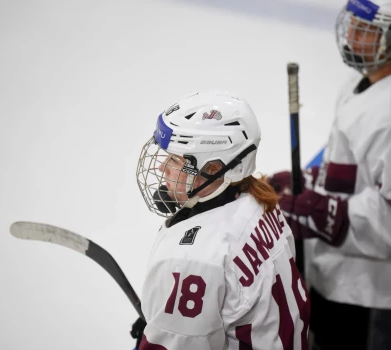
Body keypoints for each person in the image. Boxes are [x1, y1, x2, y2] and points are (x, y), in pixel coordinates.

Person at [269, 0, 391, 349]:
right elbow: (351, 173)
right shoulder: (361, 83)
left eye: (366, 29)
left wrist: (316, 212)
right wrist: (305, 183)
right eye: (353, 23)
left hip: (373, 295)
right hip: (337, 279)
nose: (350, 36)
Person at [131, 90, 310, 349]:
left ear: (213, 170)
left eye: (173, 160)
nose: (161, 168)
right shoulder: (259, 201)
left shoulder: (190, 259)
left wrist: (163, 333)